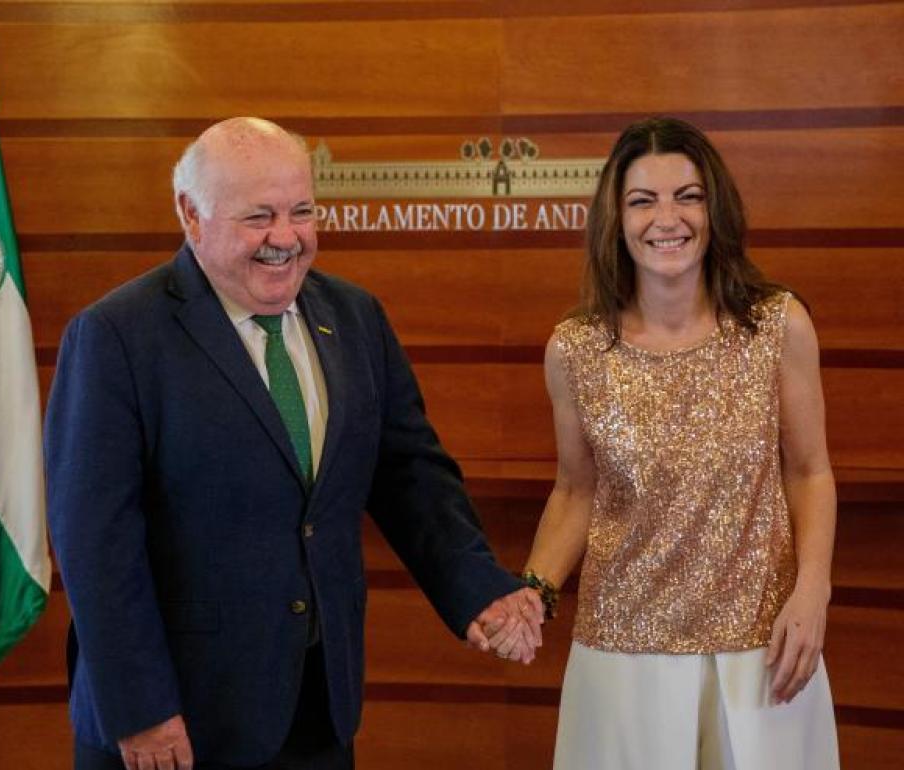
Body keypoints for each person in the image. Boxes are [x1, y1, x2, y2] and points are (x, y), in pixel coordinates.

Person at [44, 117, 544, 770]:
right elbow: (94, 543)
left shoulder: (355, 316)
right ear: (191, 215)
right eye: (259, 217)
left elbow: (409, 474)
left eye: (302, 211)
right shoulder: (116, 337)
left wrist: (476, 585)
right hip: (177, 722)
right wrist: (139, 708)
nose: (287, 239)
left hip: (316, 708)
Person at [518, 117, 840, 769]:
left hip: (762, 653)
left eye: (687, 196)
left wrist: (813, 592)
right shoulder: (574, 350)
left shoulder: (777, 325)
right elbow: (577, 490)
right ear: (616, 217)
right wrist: (535, 590)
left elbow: (810, 472)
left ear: (714, 207)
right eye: (643, 200)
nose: (668, 218)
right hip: (621, 655)